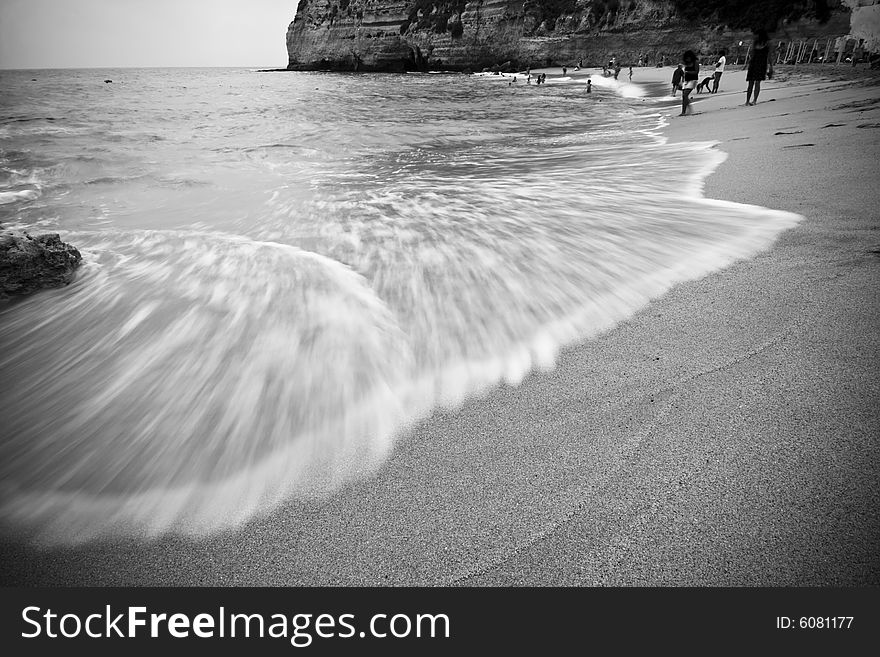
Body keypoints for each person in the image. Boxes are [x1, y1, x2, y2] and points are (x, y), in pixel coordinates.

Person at [745, 29, 771, 105]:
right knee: (754, 83)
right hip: (757, 64)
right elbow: (768, 56)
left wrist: (770, 66)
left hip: (757, 64)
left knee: (753, 83)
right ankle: (751, 101)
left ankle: (751, 101)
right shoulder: (762, 43)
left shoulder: (765, 44)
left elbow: (769, 56)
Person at [679, 50, 699, 115]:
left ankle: (684, 112)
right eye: (686, 58)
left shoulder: (695, 62)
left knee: (685, 95)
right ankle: (687, 110)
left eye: (688, 58)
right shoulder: (686, 63)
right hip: (686, 81)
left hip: (693, 80)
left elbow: (696, 72)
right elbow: (684, 73)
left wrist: (688, 72)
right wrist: (682, 81)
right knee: (683, 96)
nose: (687, 59)